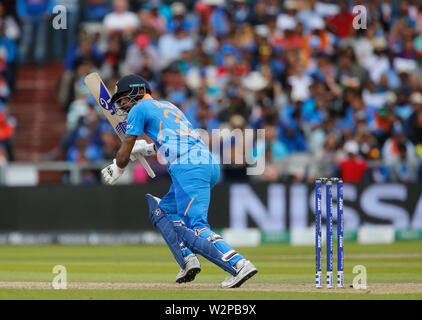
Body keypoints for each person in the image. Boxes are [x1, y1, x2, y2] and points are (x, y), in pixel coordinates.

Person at [100, 74, 257, 288]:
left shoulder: (139, 109)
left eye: (124, 98)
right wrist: (145, 149)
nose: (122, 105)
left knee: (195, 227)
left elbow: (125, 147)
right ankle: (187, 259)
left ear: (137, 91)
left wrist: (118, 166)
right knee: (162, 211)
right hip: (205, 162)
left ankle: (238, 264)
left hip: (188, 166)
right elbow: (176, 138)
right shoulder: (168, 106)